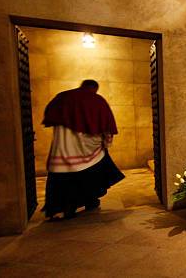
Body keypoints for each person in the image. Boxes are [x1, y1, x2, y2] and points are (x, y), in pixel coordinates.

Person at [41, 79, 125, 219]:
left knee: (60, 179)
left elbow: (51, 116)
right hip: (86, 150)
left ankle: (57, 210)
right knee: (92, 173)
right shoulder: (97, 100)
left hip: (61, 148)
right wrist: (107, 142)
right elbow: (106, 126)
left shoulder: (62, 97)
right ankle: (89, 200)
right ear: (94, 88)